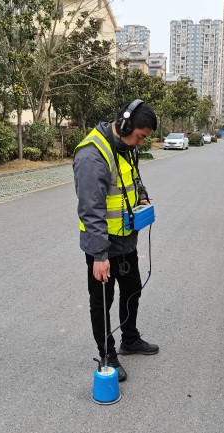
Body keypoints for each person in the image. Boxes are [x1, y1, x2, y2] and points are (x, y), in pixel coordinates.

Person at [73, 99, 159, 382]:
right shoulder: (92, 155)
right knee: (102, 301)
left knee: (133, 288)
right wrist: (100, 256)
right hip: (102, 243)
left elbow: (132, 179)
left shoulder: (126, 146)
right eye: (140, 136)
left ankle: (130, 339)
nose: (141, 143)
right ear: (124, 125)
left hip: (126, 237)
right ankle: (107, 354)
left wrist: (142, 196)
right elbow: (90, 210)